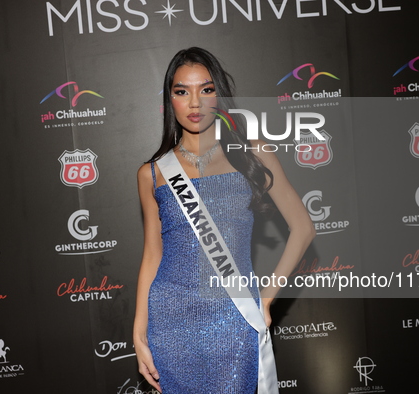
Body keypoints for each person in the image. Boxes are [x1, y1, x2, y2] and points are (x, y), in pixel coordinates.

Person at [134, 47, 315, 393]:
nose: (195, 103)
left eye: (206, 89)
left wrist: (265, 298)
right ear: (170, 100)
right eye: (181, 91)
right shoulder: (151, 173)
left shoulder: (252, 153)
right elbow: (152, 255)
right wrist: (139, 330)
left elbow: (304, 229)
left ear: (219, 93)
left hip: (233, 318)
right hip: (170, 324)